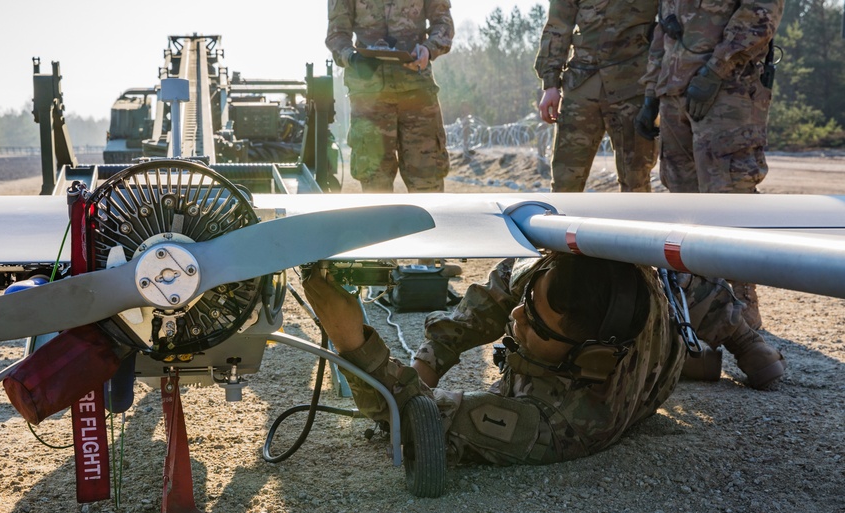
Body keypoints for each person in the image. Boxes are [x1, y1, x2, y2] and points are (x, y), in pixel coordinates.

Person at [303, 253, 785, 467]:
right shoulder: (559, 281)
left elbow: (419, 419)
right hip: (652, 342)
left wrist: (351, 340)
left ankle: (739, 339)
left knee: (684, 278)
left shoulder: (562, 422)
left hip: (657, 350)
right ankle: (701, 358)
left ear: (590, 359)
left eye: (534, 325)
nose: (518, 316)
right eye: (528, 303)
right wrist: (429, 360)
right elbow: (501, 293)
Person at [635, 0, 783, 329]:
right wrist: (650, 95)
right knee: (684, 203)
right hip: (673, 93)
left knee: (728, 198)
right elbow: (664, 27)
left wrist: (715, 70)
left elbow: (759, 15)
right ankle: (700, 310)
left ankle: (743, 310)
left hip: (728, 91)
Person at [326, 0, 454, 193]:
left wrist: (428, 49)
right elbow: (337, 34)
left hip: (417, 97)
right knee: (375, 188)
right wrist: (352, 58)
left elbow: (443, 23)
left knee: (427, 184)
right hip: (370, 96)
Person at [534, 0, 659, 192]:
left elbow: (674, 20)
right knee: (566, 181)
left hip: (633, 88)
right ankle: (562, 222)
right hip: (582, 87)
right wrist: (550, 84)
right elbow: (558, 25)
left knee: (636, 180)